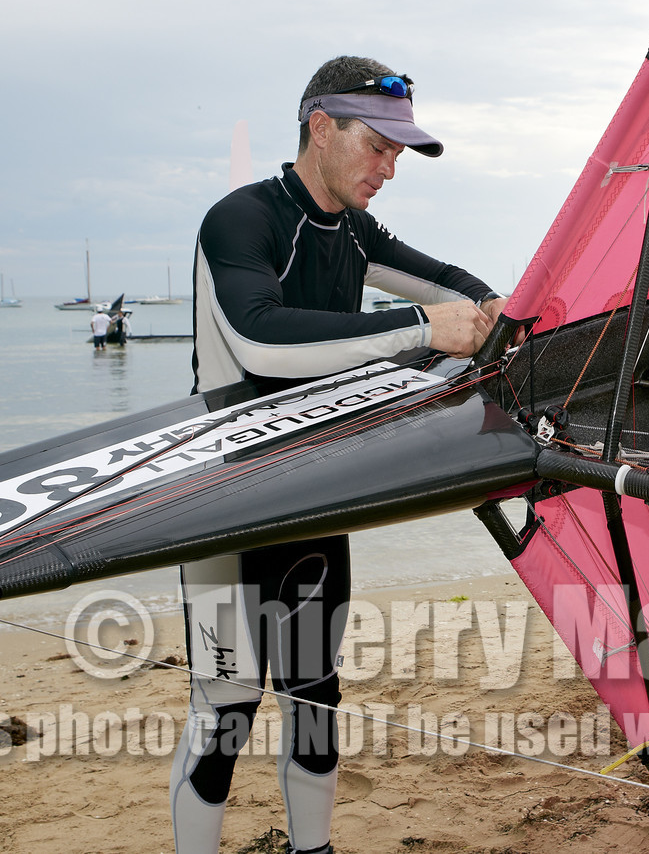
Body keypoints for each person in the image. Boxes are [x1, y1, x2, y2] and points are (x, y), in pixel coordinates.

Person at [171, 56, 506, 854]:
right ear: (321, 129)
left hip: (318, 492)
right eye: (378, 146)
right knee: (225, 708)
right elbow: (260, 337)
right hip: (225, 504)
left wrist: (488, 306)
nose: (388, 169)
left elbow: (447, 282)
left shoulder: (353, 229)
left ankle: (312, 849)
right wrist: (425, 332)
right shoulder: (240, 220)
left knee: (316, 697)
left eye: (398, 154)